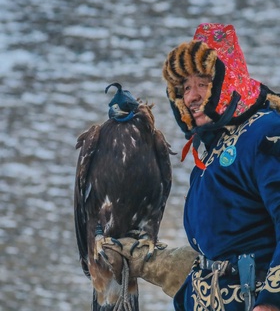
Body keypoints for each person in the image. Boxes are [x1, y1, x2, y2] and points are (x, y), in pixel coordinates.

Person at [103, 23, 280, 311]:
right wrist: (154, 263)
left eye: (203, 83)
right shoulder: (209, 152)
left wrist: (273, 300)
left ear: (229, 79)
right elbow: (218, 253)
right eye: (185, 87)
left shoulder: (266, 133)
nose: (191, 96)